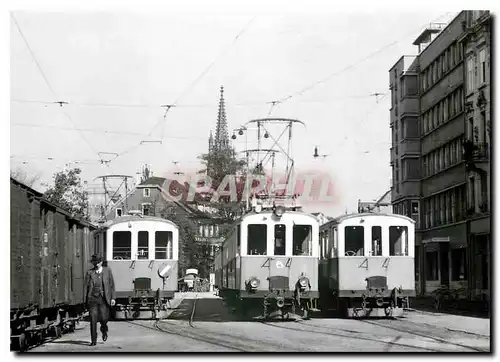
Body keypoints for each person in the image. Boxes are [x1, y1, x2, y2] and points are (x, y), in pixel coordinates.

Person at [84, 254, 116, 346]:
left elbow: (112, 285)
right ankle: (93, 340)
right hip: (93, 299)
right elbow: (86, 287)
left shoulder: (107, 270)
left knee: (104, 318)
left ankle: (104, 329)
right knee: (93, 319)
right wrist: (86, 300)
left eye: (98, 262)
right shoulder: (90, 273)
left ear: (101, 262)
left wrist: (113, 298)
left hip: (103, 299)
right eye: (95, 262)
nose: (96, 264)